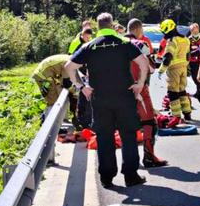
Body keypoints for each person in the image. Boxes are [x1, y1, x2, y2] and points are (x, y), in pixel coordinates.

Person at [65, 13, 150, 188]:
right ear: (112, 25)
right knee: (128, 135)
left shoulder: (90, 46)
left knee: (104, 137)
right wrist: (139, 84)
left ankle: (107, 177)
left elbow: (69, 67)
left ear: (97, 26)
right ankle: (131, 175)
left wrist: (82, 87)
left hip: (100, 99)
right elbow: (143, 63)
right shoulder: (124, 43)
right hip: (124, 97)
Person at [126, 19, 168, 168]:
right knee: (150, 122)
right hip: (139, 88)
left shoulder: (117, 43)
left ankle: (128, 162)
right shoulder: (139, 44)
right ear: (138, 30)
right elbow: (151, 68)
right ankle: (149, 157)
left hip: (119, 91)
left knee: (126, 126)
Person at [29, 54, 80, 127]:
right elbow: (66, 83)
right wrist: (73, 93)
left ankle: (63, 119)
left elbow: (65, 80)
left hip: (49, 75)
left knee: (61, 94)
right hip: (43, 76)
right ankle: (48, 123)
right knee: (52, 99)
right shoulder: (69, 63)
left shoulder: (71, 60)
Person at [158, 19, 192, 120]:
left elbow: (167, 57)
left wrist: (161, 70)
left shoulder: (172, 41)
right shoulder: (186, 39)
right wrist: (186, 67)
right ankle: (187, 113)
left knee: (172, 93)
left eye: (164, 32)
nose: (164, 34)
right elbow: (188, 56)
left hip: (173, 70)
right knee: (182, 91)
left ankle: (176, 116)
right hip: (183, 68)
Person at [67, 27, 95, 129]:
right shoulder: (76, 43)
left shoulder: (85, 42)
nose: (88, 39)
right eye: (87, 37)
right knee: (80, 94)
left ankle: (82, 119)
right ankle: (80, 119)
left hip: (83, 70)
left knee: (83, 94)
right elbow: (71, 60)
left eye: (89, 38)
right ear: (83, 34)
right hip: (76, 70)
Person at [187, 23, 200, 107]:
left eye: (196, 29)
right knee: (198, 82)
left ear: (198, 29)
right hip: (193, 64)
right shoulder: (188, 40)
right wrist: (196, 51)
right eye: (192, 29)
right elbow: (186, 53)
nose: (194, 30)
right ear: (191, 31)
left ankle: (199, 96)